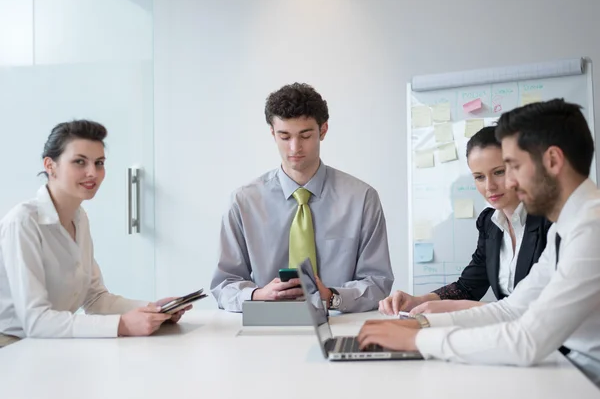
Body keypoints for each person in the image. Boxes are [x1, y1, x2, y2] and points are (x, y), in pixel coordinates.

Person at [357, 99, 600, 386]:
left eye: (513, 167)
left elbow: (527, 340)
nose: (508, 183)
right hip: (569, 371)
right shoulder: (566, 227)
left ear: (553, 161)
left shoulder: (591, 228)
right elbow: (511, 309)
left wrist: (418, 339)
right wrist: (421, 323)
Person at [0, 120, 191, 346]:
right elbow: (36, 321)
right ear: (50, 166)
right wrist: (122, 324)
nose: (92, 173)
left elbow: (95, 298)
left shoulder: (79, 218)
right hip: (12, 346)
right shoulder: (23, 222)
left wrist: (153, 309)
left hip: (50, 344)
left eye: (99, 163)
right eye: (80, 162)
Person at [211, 82, 394, 312]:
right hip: (266, 329)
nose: (294, 148)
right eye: (284, 136)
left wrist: (334, 297)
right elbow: (224, 284)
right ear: (272, 133)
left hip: (339, 324)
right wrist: (258, 295)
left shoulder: (362, 199)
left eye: (305, 135)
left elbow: (378, 282)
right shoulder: (243, 202)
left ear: (323, 130)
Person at [380, 126, 552, 316]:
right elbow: (467, 287)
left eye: (499, 172)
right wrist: (418, 300)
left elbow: (547, 304)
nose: (489, 186)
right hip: (513, 335)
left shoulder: (551, 221)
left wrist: (463, 308)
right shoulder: (490, 223)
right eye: (479, 177)